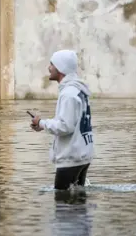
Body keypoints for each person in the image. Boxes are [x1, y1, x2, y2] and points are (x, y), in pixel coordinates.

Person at [31, 50, 95, 193]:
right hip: (82, 156)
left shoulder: (68, 93)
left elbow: (65, 126)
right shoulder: (79, 90)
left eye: (52, 64)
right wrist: (43, 125)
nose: (49, 68)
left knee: (62, 203)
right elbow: (70, 122)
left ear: (61, 68)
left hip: (70, 158)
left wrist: (42, 123)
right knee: (78, 207)